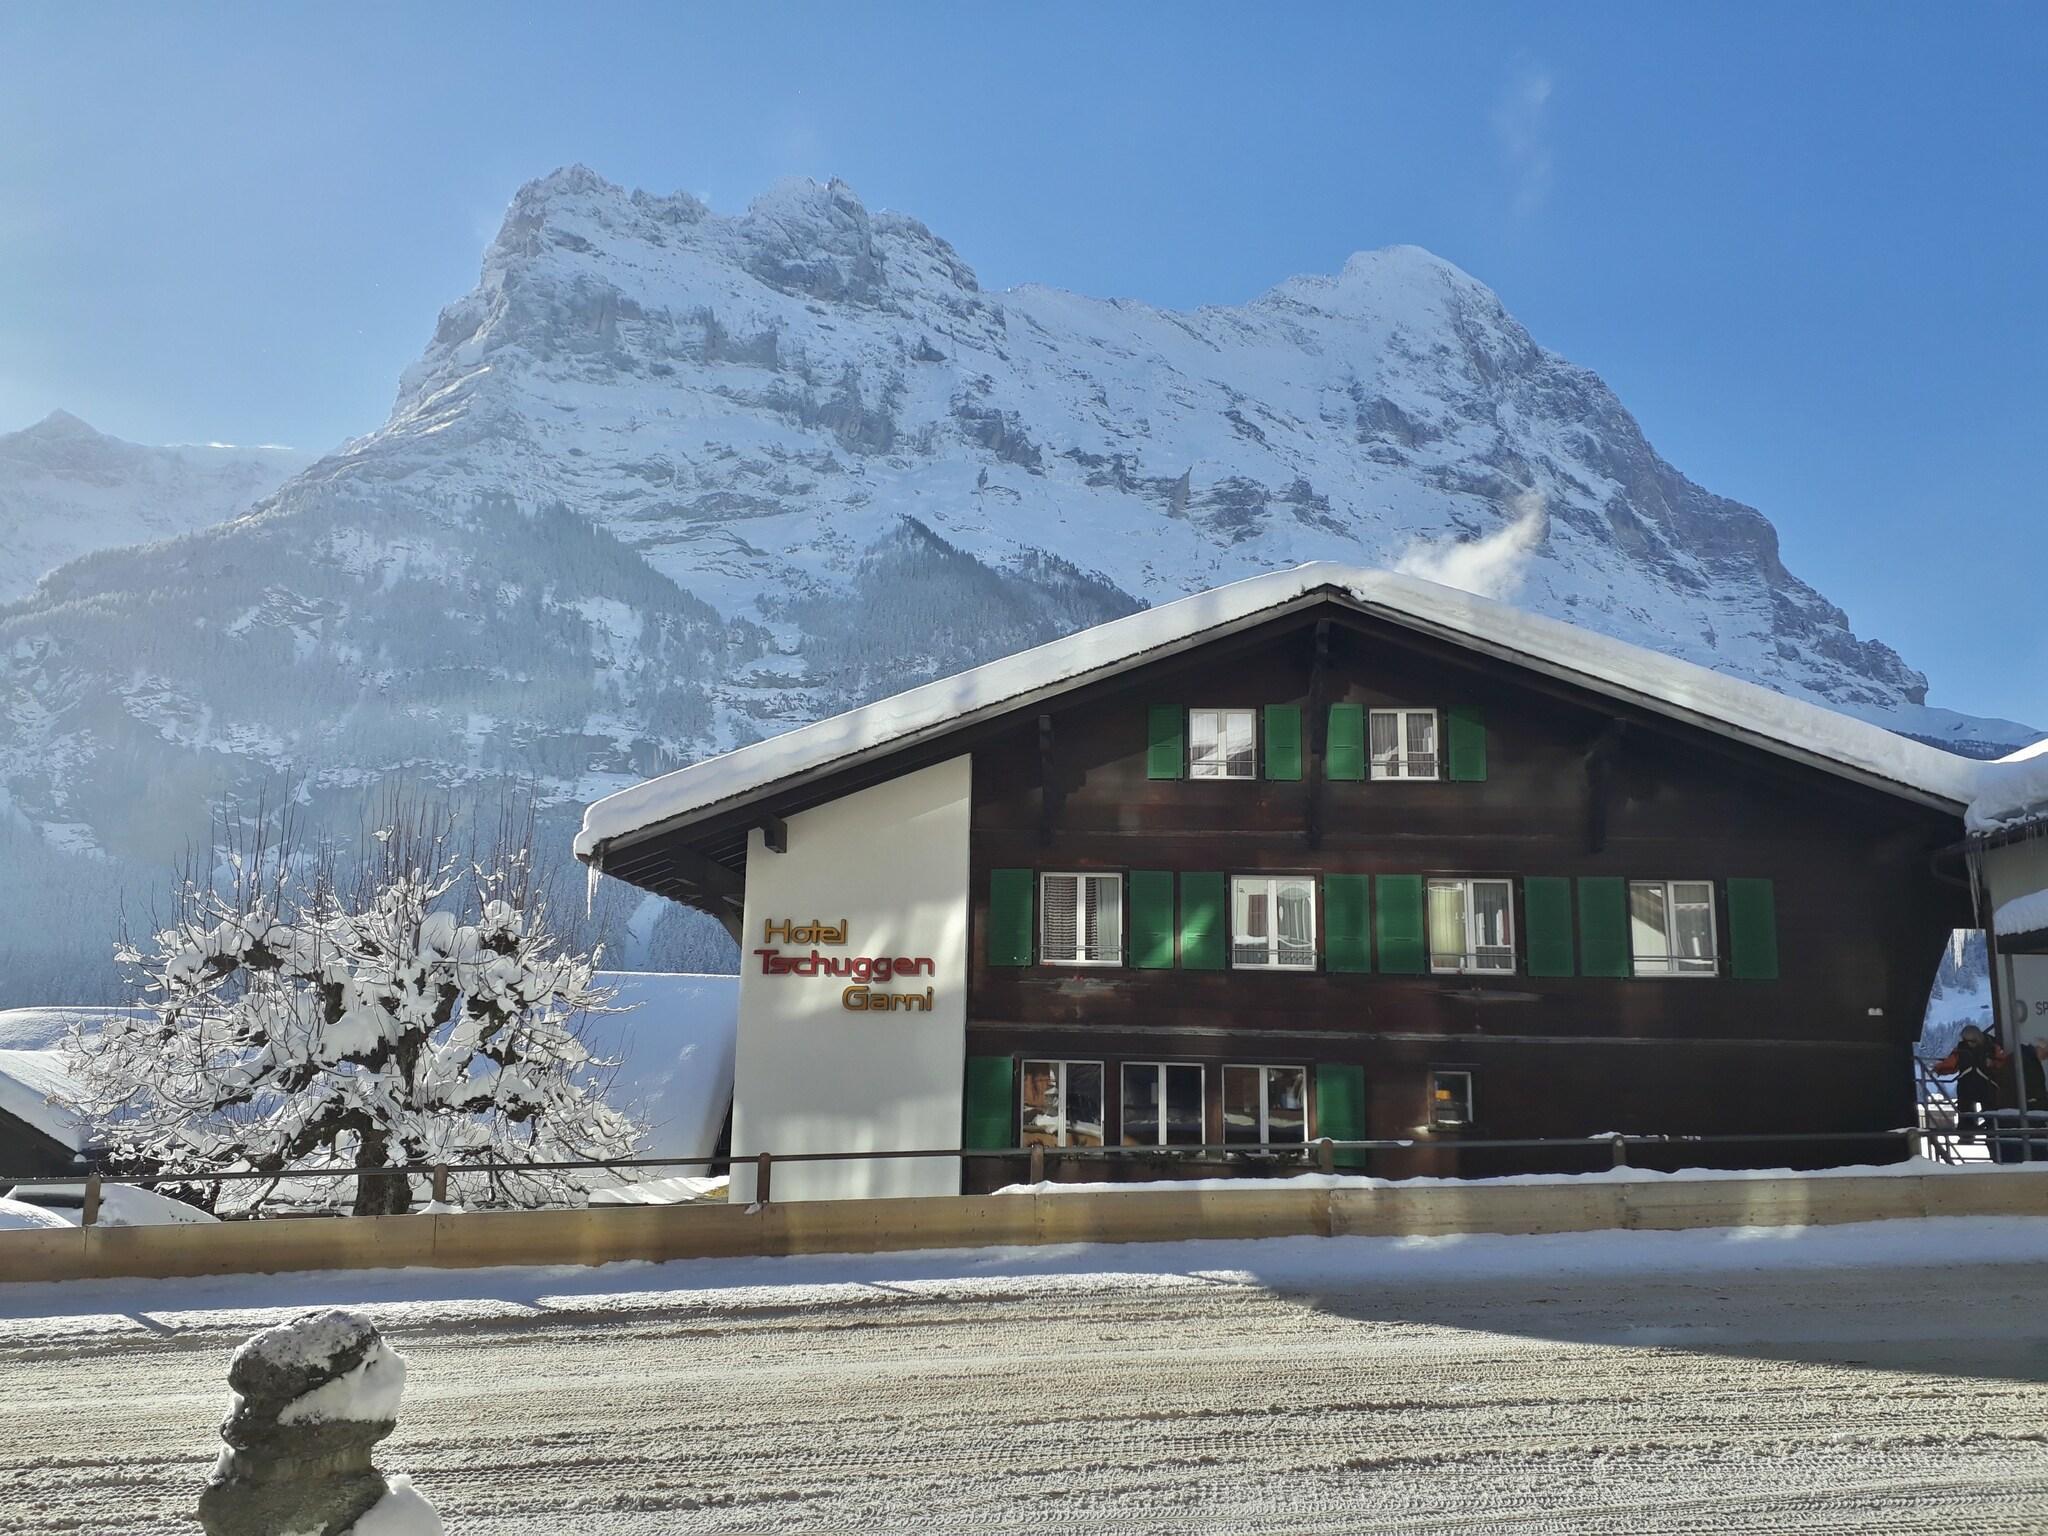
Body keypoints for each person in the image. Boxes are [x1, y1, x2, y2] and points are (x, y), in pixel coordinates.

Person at [1933, 1024, 2008, 1143]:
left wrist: (1993, 1064)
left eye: (1971, 1041)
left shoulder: (1992, 1047)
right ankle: (1967, 1136)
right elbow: (1951, 1063)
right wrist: (1939, 1068)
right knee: (1965, 1109)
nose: (1969, 1043)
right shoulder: (1961, 1049)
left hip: (1986, 1085)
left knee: (1990, 1112)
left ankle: (1993, 1136)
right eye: (1966, 1040)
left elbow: (2002, 1062)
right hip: (1968, 1085)